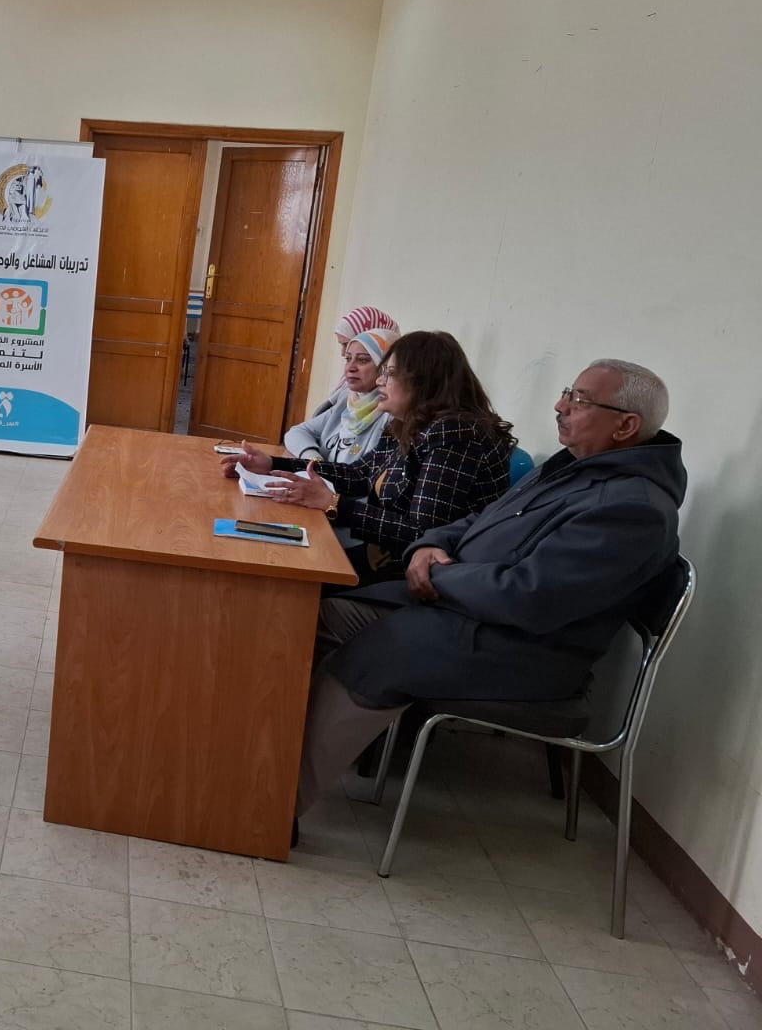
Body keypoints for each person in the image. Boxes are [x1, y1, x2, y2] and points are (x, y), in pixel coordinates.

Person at [296, 359, 685, 815]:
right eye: (567, 392)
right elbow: (480, 519)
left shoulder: (633, 509)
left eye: (579, 400)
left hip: (521, 649)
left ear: (625, 426)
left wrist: (437, 575)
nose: (560, 405)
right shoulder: (573, 467)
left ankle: (279, 803)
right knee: (320, 616)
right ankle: (266, 753)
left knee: (379, 653)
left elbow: (530, 597)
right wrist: (430, 545)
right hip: (466, 610)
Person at [233, 331, 513, 584]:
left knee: (287, 583)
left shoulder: (455, 435)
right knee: (276, 569)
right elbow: (359, 474)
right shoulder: (405, 424)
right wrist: (273, 464)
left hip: (420, 575)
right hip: (380, 555)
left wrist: (332, 504)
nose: (380, 380)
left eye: (389, 373)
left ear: (423, 383)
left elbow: (423, 534)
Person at [284, 327, 400, 464]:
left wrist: (321, 471)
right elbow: (296, 432)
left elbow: (362, 473)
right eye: (348, 359)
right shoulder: (349, 399)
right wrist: (314, 460)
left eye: (363, 360)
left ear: (386, 366)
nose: (350, 368)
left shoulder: (391, 414)